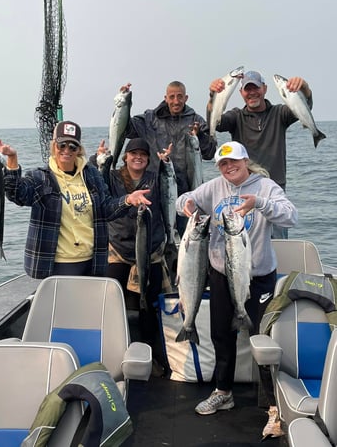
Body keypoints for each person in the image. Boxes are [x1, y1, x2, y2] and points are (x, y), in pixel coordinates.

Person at [175, 141, 298, 438]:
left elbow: (291, 216)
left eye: (234, 162)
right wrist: (187, 205)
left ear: (246, 161)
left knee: (264, 340)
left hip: (257, 276)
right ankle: (223, 391)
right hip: (220, 273)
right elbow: (182, 200)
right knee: (221, 334)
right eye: (223, 164)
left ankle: (273, 407)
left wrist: (259, 204)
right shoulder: (214, 186)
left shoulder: (265, 186)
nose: (229, 168)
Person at [0, 120, 151, 280]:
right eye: (62, 145)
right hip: (57, 263)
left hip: (92, 260)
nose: (67, 150)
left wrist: (128, 199)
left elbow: (106, 210)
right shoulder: (40, 177)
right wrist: (12, 159)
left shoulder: (92, 175)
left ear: (79, 150)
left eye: (72, 146)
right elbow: (16, 194)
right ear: (54, 146)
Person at [93, 137, 172, 373]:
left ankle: (151, 349)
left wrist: (167, 163)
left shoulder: (156, 178)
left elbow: (174, 186)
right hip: (118, 248)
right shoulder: (113, 177)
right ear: (125, 156)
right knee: (111, 299)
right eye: (133, 153)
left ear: (148, 159)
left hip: (151, 250)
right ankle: (113, 347)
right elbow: (94, 176)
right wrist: (98, 159)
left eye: (143, 154)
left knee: (149, 302)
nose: (137, 157)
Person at [207, 70, 312, 239]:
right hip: (244, 190)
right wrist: (213, 96)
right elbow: (216, 122)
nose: (252, 93)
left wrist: (304, 87)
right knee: (244, 244)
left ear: (265, 89)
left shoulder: (280, 114)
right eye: (247, 89)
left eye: (255, 88)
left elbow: (304, 107)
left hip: (274, 189)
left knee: (278, 245)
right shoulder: (236, 117)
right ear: (241, 93)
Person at [123, 81, 217, 237]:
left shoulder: (196, 121)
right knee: (153, 236)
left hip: (186, 190)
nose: (176, 101)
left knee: (187, 235)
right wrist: (125, 103)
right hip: (153, 189)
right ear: (165, 98)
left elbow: (210, 153)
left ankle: (179, 258)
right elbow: (126, 129)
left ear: (186, 98)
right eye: (172, 97)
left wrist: (199, 135)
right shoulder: (149, 118)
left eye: (180, 97)